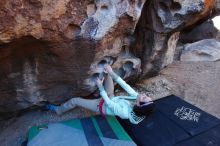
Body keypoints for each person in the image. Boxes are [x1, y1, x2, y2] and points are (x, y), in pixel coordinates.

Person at [46, 65, 155, 124]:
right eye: (146, 95)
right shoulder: (136, 99)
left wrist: (100, 86)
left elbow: (108, 103)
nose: (143, 94)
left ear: (140, 105)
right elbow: (126, 86)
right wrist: (111, 72)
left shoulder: (125, 113)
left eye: (144, 97)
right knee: (107, 75)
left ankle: (58, 110)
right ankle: (99, 91)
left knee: (75, 101)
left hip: (101, 105)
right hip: (111, 97)